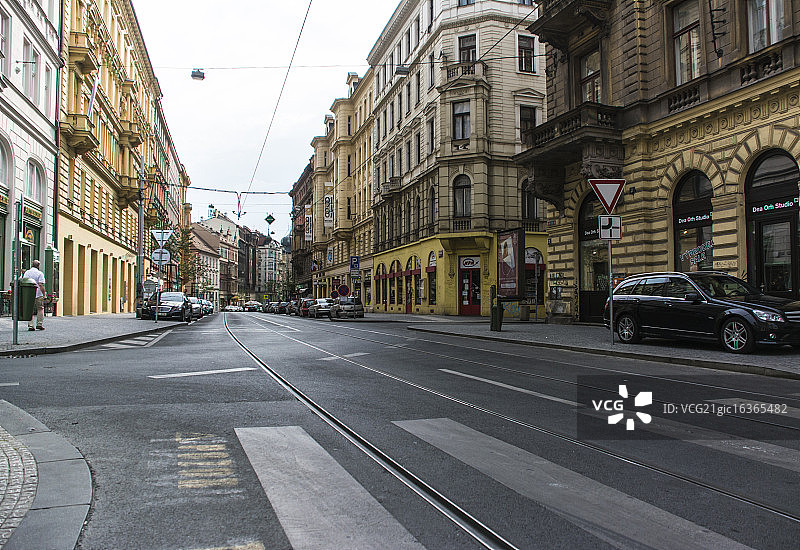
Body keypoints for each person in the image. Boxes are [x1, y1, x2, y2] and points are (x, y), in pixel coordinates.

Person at [22, 260, 46, 331]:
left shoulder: (27, 272)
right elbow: (41, 284)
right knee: (40, 308)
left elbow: (24, 281)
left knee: (29, 309)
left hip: (29, 293)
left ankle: (31, 325)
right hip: (38, 293)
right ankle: (39, 324)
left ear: (31, 265)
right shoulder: (40, 273)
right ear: (38, 266)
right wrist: (44, 294)